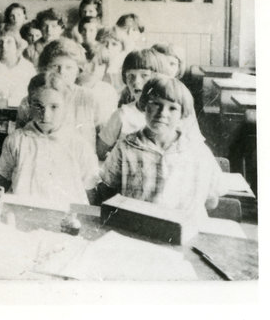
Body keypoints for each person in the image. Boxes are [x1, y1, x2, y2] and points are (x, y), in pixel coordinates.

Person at [96, 75, 222, 216]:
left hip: (182, 227)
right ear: (144, 105)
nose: (162, 113)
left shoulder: (197, 151)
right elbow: (107, 189)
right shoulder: (126, 146)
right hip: (138, 225)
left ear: (182, 114)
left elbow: (212, 200)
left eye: (172, 108)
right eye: (155, 103)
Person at [0, 72, 99, 206]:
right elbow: (3, 179)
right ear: (29, 104)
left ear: (65, 105)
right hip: (23, 209)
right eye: (38, 106)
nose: (45, 115)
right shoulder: (17, 140)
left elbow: (89, 188)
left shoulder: (78, 144)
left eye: (54, 107)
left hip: (64, 215)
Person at [18, 38, 102, 154]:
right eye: (55, 66)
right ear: (44, 69)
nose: (62, 72)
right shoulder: (31, 100)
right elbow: (20, 138)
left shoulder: (89, 98)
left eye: (69, 67)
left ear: (78, 70)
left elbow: (102, 137)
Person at [96, 48, 168, 160]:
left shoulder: (170, 112)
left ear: (158, 77)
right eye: (131, 76)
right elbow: (100, 152)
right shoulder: (122, 115)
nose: (136, 82)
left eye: (144, 75)